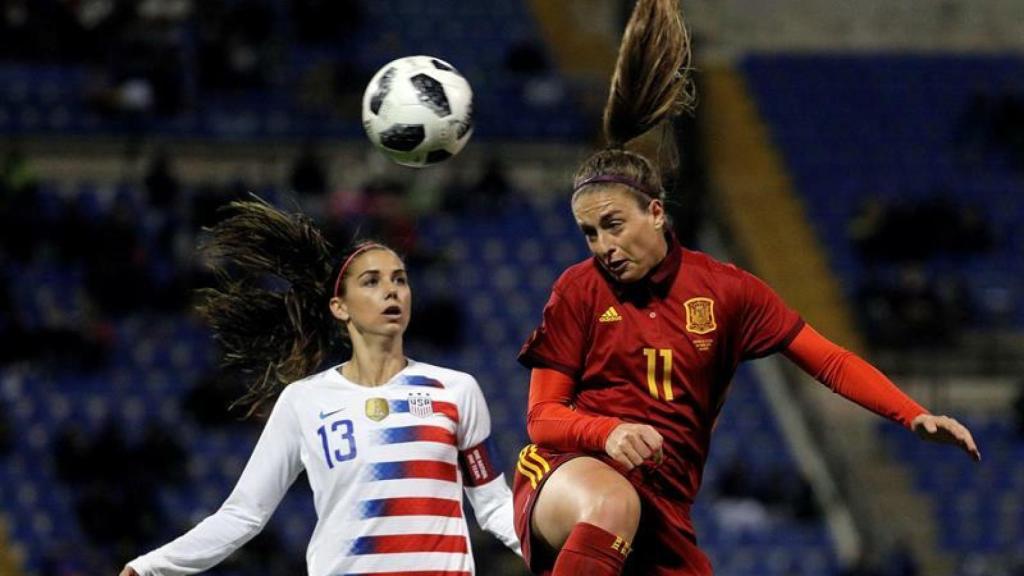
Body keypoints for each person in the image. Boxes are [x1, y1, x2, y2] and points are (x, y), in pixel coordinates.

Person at [509, 1, 982, 575]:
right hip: (566, 472)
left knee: (632, 514)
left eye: (613, 225)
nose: (602, 246)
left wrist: (912, 415)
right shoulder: (578, 290)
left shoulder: (729, 292)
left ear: (656, 214)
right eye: (589, 233)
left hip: (663, 505)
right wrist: (606, 433)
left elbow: (827, 362)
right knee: (611, 504)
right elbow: (543, 418)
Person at [119, 199, 520, 575]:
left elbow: (494, 506)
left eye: (400, 279)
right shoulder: (304, 401)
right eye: (372, 281)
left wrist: (574, 557)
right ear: (339, 307)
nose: (392, 290)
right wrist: (151, 566)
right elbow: (243, 515)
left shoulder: (454, 391)